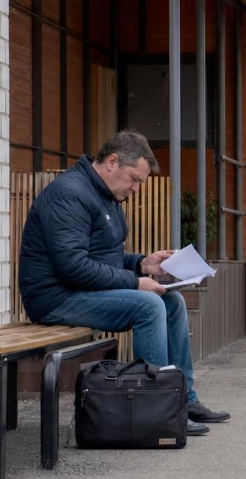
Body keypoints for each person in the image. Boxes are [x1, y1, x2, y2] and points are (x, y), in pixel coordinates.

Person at [18, 130, 229, 437]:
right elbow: (73, 267)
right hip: (56, 298)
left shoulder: (104, 195)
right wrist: (135, 281)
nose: (136, 188)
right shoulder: (69, 194)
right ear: (112, 162)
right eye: (135, 179)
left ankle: (183, 400)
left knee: (172, 302)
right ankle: (157, 409)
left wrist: (142, 263)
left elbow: (103, 258)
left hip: (81, 291)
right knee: (148, 305)